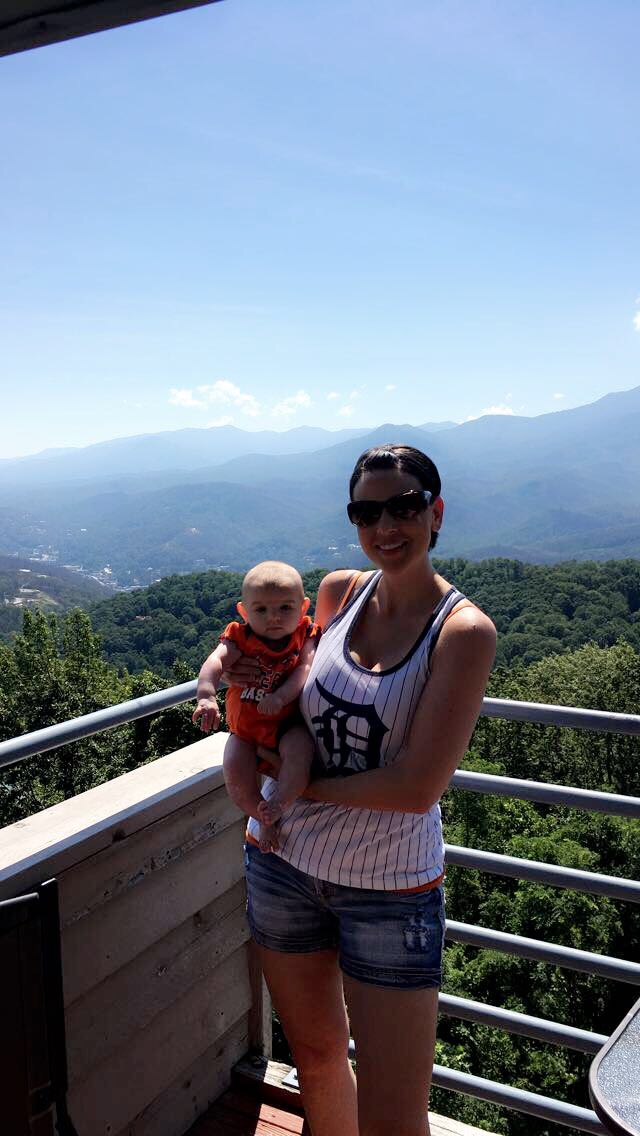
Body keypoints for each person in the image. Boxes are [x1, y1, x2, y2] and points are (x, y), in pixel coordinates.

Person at [227, 444, 496, 1136]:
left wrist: (296, 786)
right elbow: (282, 675)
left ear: (436, 512)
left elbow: (415, 788)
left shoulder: (462, 632)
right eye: (365, 512)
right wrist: (236, 684)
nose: (385, 525)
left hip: (390, 888)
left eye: (404, 506)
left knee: (395, 1112)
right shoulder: (338, 594)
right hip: (282, 864)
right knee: (317, 1062)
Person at [192, 560, 319, 852]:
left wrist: (281, 697)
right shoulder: (241, 637)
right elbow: (215, 661)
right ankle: (261, 815)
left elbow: (305, 668)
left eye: (285, 608)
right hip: (244, 732)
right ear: (244, 611)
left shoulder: (305, 634)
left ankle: (278, 805)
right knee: (235, 774)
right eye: (261, 609)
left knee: (300, 754)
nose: (273, 617)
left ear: (303, 607)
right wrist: (207, 696)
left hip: (286, 724)